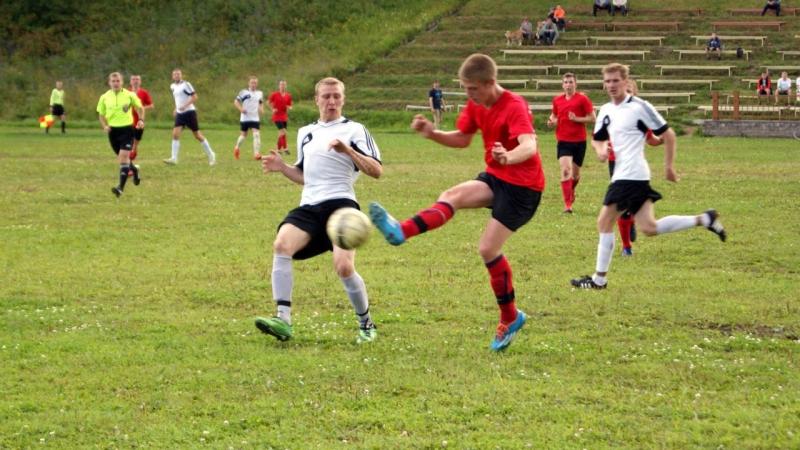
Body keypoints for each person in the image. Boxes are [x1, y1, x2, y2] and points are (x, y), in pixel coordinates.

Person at [369, 53, 544, 352]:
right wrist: (432, 133)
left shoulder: (514, 105)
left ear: (490, 83)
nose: (468, 95)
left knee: (488, 249)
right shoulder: (477, 105)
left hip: (523, 188)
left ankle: (510, 317)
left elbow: (529, 144)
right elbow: (463, 138)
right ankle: (400, 231)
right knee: (451, 196)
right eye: (465, 88)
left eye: (472, 89)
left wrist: (508, 156)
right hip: (496, 177)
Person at [570, 63, 726, 290]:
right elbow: (597, 137)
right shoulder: (605, 110)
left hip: (631, 175)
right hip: (628, 175)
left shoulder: (640, 107)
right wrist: (601, 149)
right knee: (649, 227)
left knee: (604, 221)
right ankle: (705, 219)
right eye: (607, 81)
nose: (611, 85)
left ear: (625, 81)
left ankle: (599, 279)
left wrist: (669, 167)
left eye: (615, 80)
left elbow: (669, 134)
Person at [255, 77, 383, 344]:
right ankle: (283, 320)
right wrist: (283, 168)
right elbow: (306, 176)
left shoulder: (355, 129)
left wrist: (347, 150)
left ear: (343, 99)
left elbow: (376, 170)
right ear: (317, 100)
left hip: (342, 206)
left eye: (336, 96)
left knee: (344, 267)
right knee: (281, 245)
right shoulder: (305, 133)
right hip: (310, 206)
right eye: (326, 96)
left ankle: (366, 323)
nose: (332, 101)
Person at [608, 79, 664, 257]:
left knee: (634, 209)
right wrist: (603, 148)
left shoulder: (640, 116)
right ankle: (626, 246)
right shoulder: (610, 112)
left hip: (635, 166)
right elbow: (600, 137)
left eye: (630, 91)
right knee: (620, 207)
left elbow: (652, 139)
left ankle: (631, 220)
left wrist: (664, 138)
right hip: (616, 164)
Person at [547, 72, 595, 214]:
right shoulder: (557, 100)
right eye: (566, 82)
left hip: (579, 141)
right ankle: (568, 205)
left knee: (575, 176)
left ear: (575, 84)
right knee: (565, 171)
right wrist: (551, 121)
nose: (568, 85)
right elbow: (554, 115)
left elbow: (592, 118)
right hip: (563, 140)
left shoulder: (583, 99)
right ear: (562, 84)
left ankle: (571, 189)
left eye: (571, 82)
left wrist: (577, 119)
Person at [96, 72, 144, 198]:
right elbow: (101, 115)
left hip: (127, 130)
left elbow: (140, 108)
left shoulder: (129, 95)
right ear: (109, 83)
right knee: (124, 159)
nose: (116, 83)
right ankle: (134, 170)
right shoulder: (104, 97)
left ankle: (120, 188)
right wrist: (105, 126)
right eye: (113, 81)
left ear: (122, 82)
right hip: (113, 132)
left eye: (118, 81)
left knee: (123, 158)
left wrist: (140, 120)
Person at [163, 69, 216, 166]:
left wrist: (185, 106)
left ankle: (211, 155)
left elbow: (195, 96)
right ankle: (174, 158)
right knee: (175, 134)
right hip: (180, 114)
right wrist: (176, 108)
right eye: (175, 74)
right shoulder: (173, 86)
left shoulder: (186, 84)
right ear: (172, 76)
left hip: (189, 112)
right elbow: (178, 99)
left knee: (197, 135)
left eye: (178, 74)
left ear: (181, 75)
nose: (177, 76)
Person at [233, 76, 265, 160]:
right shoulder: (244, 92)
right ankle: (237, 147)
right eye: (252, 83)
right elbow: (236, 102)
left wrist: (261, 109)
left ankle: (256, 154)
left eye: (255, 83)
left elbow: (260, 102)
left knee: (256, 134)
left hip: (255, 118)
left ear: (257, 84)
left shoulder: (259, 93)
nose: (253, 84)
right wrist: (241, 109)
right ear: (249, 83)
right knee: (243, 135)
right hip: (245, 118)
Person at [129, 75, 154, 162]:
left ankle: (134, 149)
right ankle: (130, 155)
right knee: (129, 140)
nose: (135, 81)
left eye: (137, 79)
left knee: (137, 139)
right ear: (130, 81)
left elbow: (151, 105)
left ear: (140, 81)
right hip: (128, 121)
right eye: (133, 79)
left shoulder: (144, 92)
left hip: (140, 121)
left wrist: (141, 108)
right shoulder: (126, 92)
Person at [269, 80, 293, 154]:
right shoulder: (274, 94)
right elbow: (269, 102)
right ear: (279, 86)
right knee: (283, 131)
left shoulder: (288, 95)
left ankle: (278, 150)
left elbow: (290, 105)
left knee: (282, 133)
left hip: (284, 116)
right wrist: (272, 109)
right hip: (276, 116)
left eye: (284, 85)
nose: (282, 86)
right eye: (281, 85)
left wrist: (289, 107)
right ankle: (285, 148)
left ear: (286, 86)